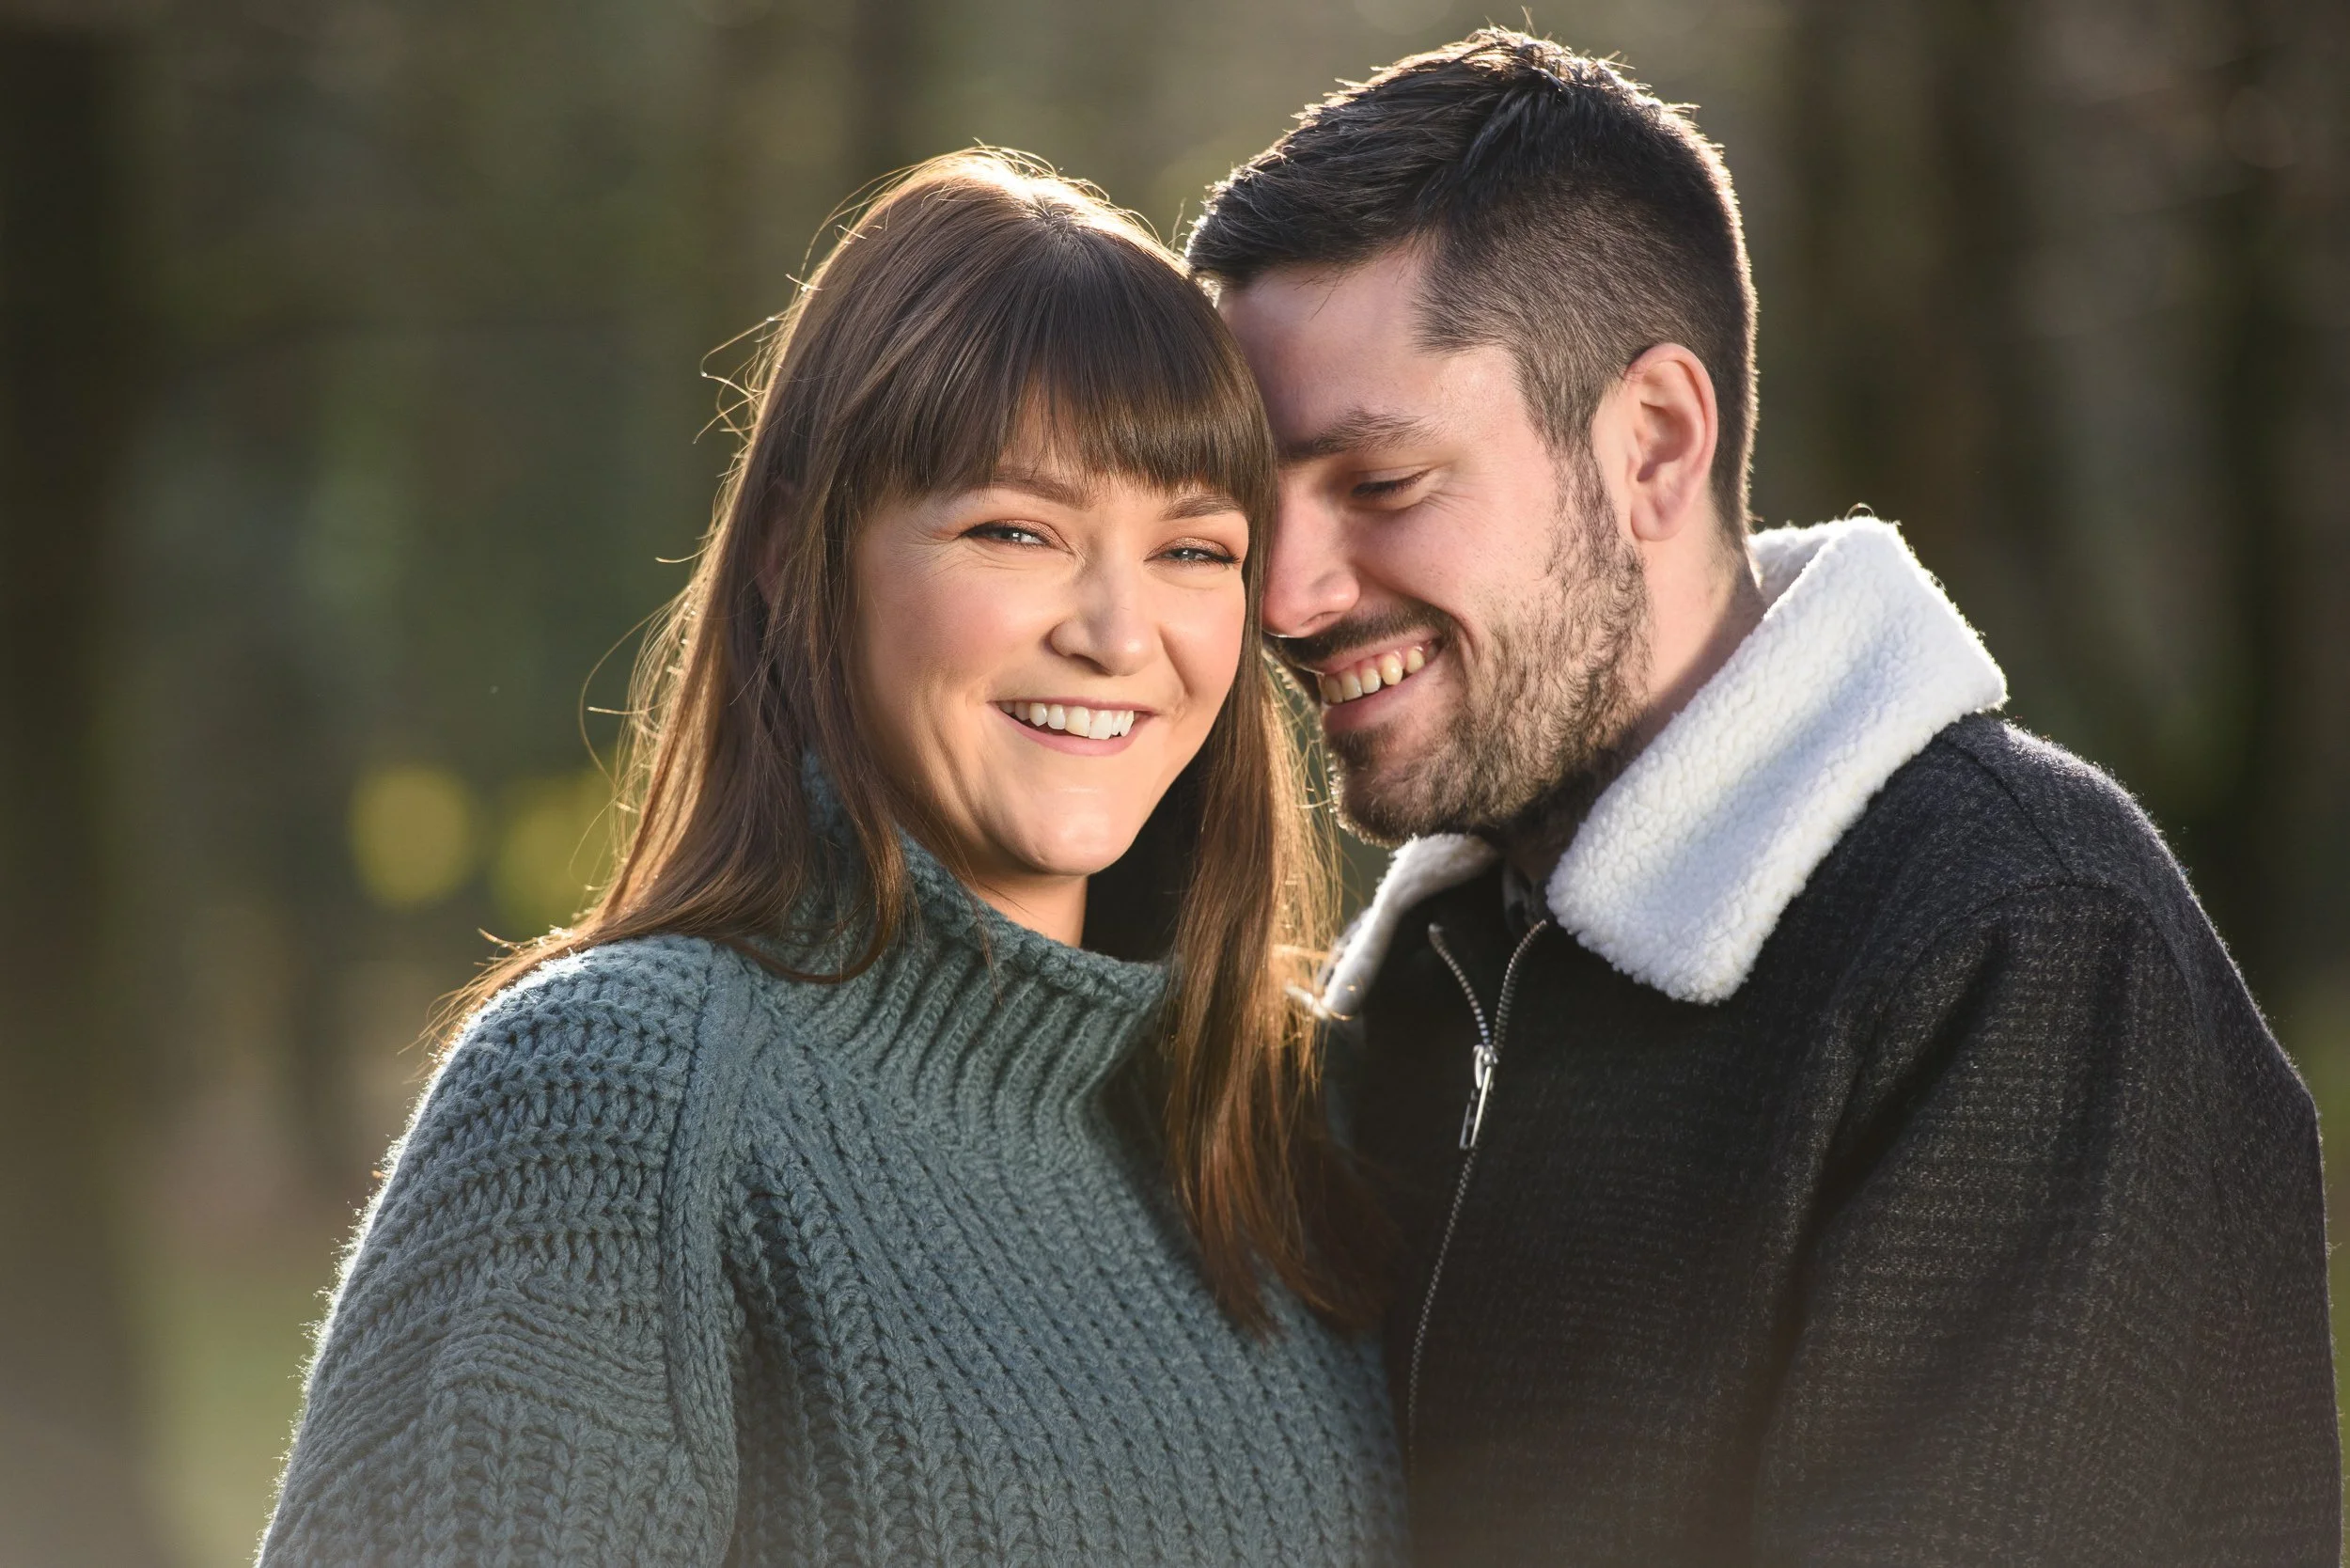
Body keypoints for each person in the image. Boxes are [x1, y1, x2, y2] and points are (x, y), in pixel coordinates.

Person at [1188, 29, 2339, 1567]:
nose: (1286, 595)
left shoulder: (2021, 944)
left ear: (1654, 441)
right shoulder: (1418, 993)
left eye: (1381, 486)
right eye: (1253, 508)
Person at [259, 150, 1404, 1567]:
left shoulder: (1293, 1119)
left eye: (1193, 551)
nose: (1118, 633)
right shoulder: (616, 1104)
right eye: (1016, 530)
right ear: (799, 552)